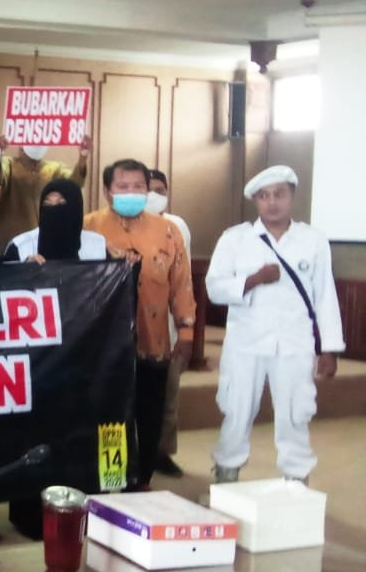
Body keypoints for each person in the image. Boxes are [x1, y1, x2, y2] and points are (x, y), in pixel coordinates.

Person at [205, 166, 344, 484]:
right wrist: (253, 280)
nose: (272, 202)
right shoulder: (235, 239)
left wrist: (330, 349)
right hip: (245, 342)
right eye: (264, 196)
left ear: (292, 196)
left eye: (279, 194)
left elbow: (325, 296)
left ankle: (297, 475)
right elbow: (214, 288)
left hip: (295, 342)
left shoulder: (313, 240)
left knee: (296, 412)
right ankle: (227, 469)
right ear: (256, 201)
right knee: (237, 409)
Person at [84, 159, 195, 488]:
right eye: (123, 186)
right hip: (104, 346)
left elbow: (182, 284)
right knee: (110, 417)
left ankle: (143, 478)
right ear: (108, 191)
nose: (131, 192)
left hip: (153, 340)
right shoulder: (88, 228)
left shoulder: (168, 231)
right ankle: (112, 479)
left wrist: (186, 331)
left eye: (138, 187)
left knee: (150, 414)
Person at [146, 169, 192, 477]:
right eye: (148, 189)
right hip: (135, 328)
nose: (154, 195)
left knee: (168, 396)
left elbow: (183, 279)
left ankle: (162, 452)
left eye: (160, 190)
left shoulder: (178, 226)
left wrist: (186, 329)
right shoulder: (122, 226)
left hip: (169, 329)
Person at [0, 134, 91, 251]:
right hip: (14, 244)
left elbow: (74, 186)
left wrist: (83, 158)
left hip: (47, 244)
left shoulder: (55, 169)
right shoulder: (8, 164)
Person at [4, 179, 108, 262]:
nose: (53, 209)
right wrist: (25, 271)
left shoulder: (97, 245)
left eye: (61, 203)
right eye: (47, 204)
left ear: (75, 208)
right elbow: (5, 279)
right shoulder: (21, 247)